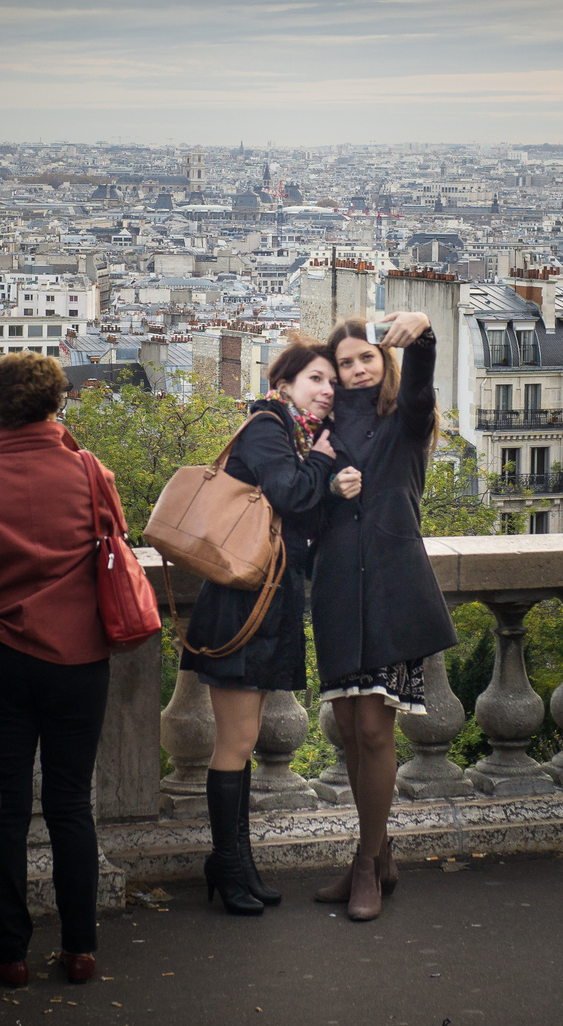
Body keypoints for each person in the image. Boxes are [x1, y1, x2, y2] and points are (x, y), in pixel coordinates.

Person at [0, 351, 125, 988]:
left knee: (6, 809)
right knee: (71, 806)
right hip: (81, 657)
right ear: (54, 404)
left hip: (0, 658)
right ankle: (80, 950)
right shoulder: (91, 472)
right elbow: (114, 544)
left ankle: (10, 952)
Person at [181, 340, 362, 915]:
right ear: (283, 383)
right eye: (315, 378)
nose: (327, 389)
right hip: (241, 604)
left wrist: (327, 480)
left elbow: (300, 510)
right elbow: (286, 492)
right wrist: (325, 463)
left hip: (268, 599)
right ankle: (228, 863)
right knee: (235, 743)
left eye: (332, 381)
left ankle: (238, 859)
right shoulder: (267, 425)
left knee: (247, 740)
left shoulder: (299, 436)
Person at [310, 313, 458, 920]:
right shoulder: (318, 432)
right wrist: (324, 484)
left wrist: (422, 335)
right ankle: (382, 852)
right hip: (339, 590)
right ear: (336, 373)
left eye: (367, 357)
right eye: (346, 362)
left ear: (385, 361)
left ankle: (366, 866)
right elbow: (298, 509)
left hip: (394, 592)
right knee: (348, 731)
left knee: (374, 729)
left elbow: (421, 386)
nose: (358, 368)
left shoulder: (407, 421)